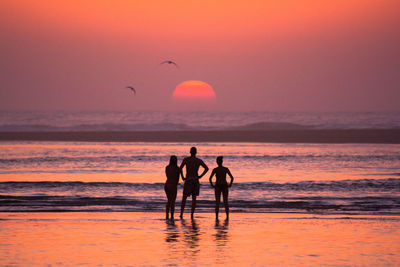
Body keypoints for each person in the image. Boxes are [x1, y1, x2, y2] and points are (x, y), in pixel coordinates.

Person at [180, 147, 209, 219]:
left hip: (188, 179)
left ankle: (181, 213)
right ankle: (192, 214)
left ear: (190, 152)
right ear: (196, 152)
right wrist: (200, 176)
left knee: (184, 198)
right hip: (195, 179)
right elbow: (206, 168)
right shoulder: (198, 160)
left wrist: (183, 177)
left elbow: (180, 168)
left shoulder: (186, 160)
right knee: (194, 198)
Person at [165, 155, 182, 220]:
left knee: (169, 200)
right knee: (173, 201)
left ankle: (167, 215)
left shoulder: (167, 167)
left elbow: (167, 176)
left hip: (167, 184)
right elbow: (178, 178)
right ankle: (172, 215)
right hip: (173, 185)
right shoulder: (177, 168)